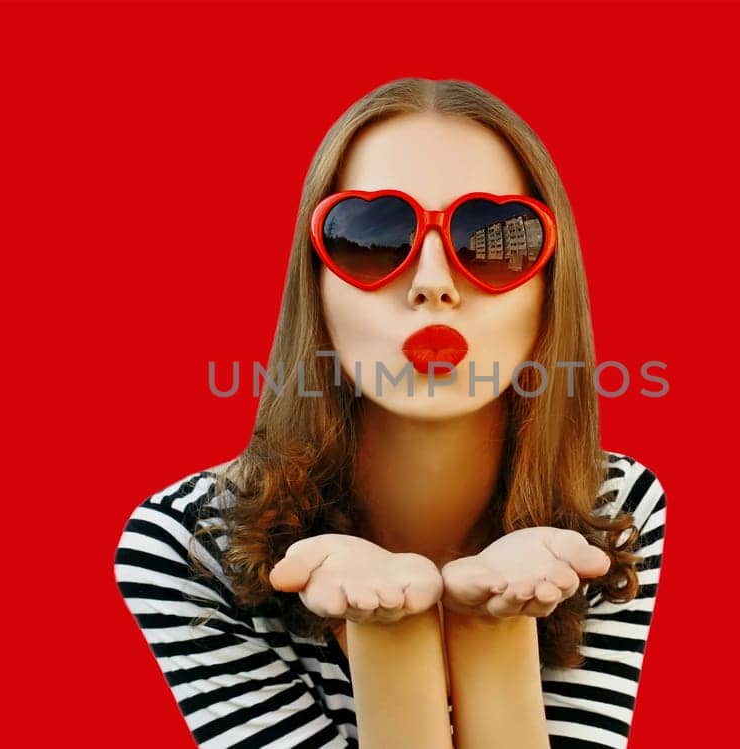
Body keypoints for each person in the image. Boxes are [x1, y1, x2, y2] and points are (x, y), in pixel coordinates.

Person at [114, 77, 667, 749]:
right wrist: (390, 635)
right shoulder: (190, 544)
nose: (433, 281)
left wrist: (489, 625)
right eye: (370, 235)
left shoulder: (611, 508)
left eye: (492, 237)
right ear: (313, 288)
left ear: (552, 290)